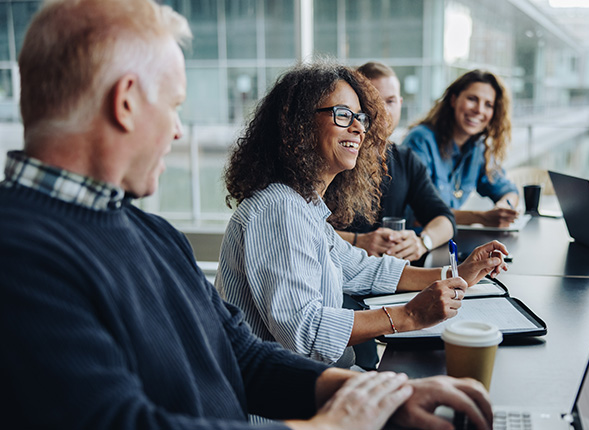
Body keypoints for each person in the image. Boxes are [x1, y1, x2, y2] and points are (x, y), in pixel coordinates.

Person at [0, 1, 495, 429]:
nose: (177, 132)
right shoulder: (19, 254)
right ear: (126, 102)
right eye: (175, 106)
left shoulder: (152, 234)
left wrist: (374, 394)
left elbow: (242, 354)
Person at [216, 61, 509, 368]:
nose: (358, 127)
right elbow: (306, 333)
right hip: (282, 407)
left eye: (360, 117)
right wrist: (410, 315)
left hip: (314, 384)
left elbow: (364, 270)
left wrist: (457, 274)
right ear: (298, 125)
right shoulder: (279, 209)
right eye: (343, 115)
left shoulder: (303, 206)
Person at [333, 61, 455, 263]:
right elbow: (304, 227)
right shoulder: (336, 156)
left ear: (400, 103)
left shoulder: (405, 159)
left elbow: (444, 219)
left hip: (391, 279)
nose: (382, 111)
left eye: (389, 101)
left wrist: (423, 242)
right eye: (372, 102)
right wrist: (357, 241)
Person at [402, 69, 520, 228]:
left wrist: (504, 207)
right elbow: (417, 215)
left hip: (448, 240)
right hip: (416, 243)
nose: (479, 110)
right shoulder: (421, 140)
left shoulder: (478, 148)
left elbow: (508, 190)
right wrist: (481, 217)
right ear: (453, 100)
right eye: (472, 99)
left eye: (488, 105)